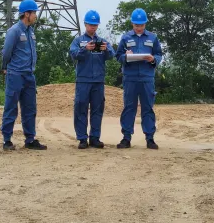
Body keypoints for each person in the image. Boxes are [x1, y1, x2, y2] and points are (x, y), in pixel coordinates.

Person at [0, 0, 47, 151]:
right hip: (15, 75)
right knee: (11, 107)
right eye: (34, 13)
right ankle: (7, 140)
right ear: (26, 14)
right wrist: (4, 67)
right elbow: (6, 52)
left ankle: (30, 139)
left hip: (29, 75)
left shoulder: (31, 32)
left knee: (30, 108)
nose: (35, 16)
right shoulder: (14, 31)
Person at [115, 8, 163, 149]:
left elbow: (159, 54)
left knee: (147, 108)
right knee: (129, 108)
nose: (139, 28)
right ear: (132, 24)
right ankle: (126, 138)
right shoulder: (125, 38)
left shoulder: (153, 38)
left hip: (147, 78)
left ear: (145, 24)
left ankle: (150, 138)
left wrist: (153, 59)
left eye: (141, 25)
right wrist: (127, 56)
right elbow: (118, 56)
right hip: (130, 78)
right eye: (136, 25)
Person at [69, 10, 115, 149]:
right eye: (90, 24)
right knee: (81, 108)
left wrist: (106, 49)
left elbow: (112, 55)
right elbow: (73, 54)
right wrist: (85, 49)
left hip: (98, 81)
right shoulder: (78, 41)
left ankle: (95, 137)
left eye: (95, 25)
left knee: (97, 110)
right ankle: (82, 138)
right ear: (85, 24)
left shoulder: (102, 41)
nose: (93, 27)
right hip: (83, 80)